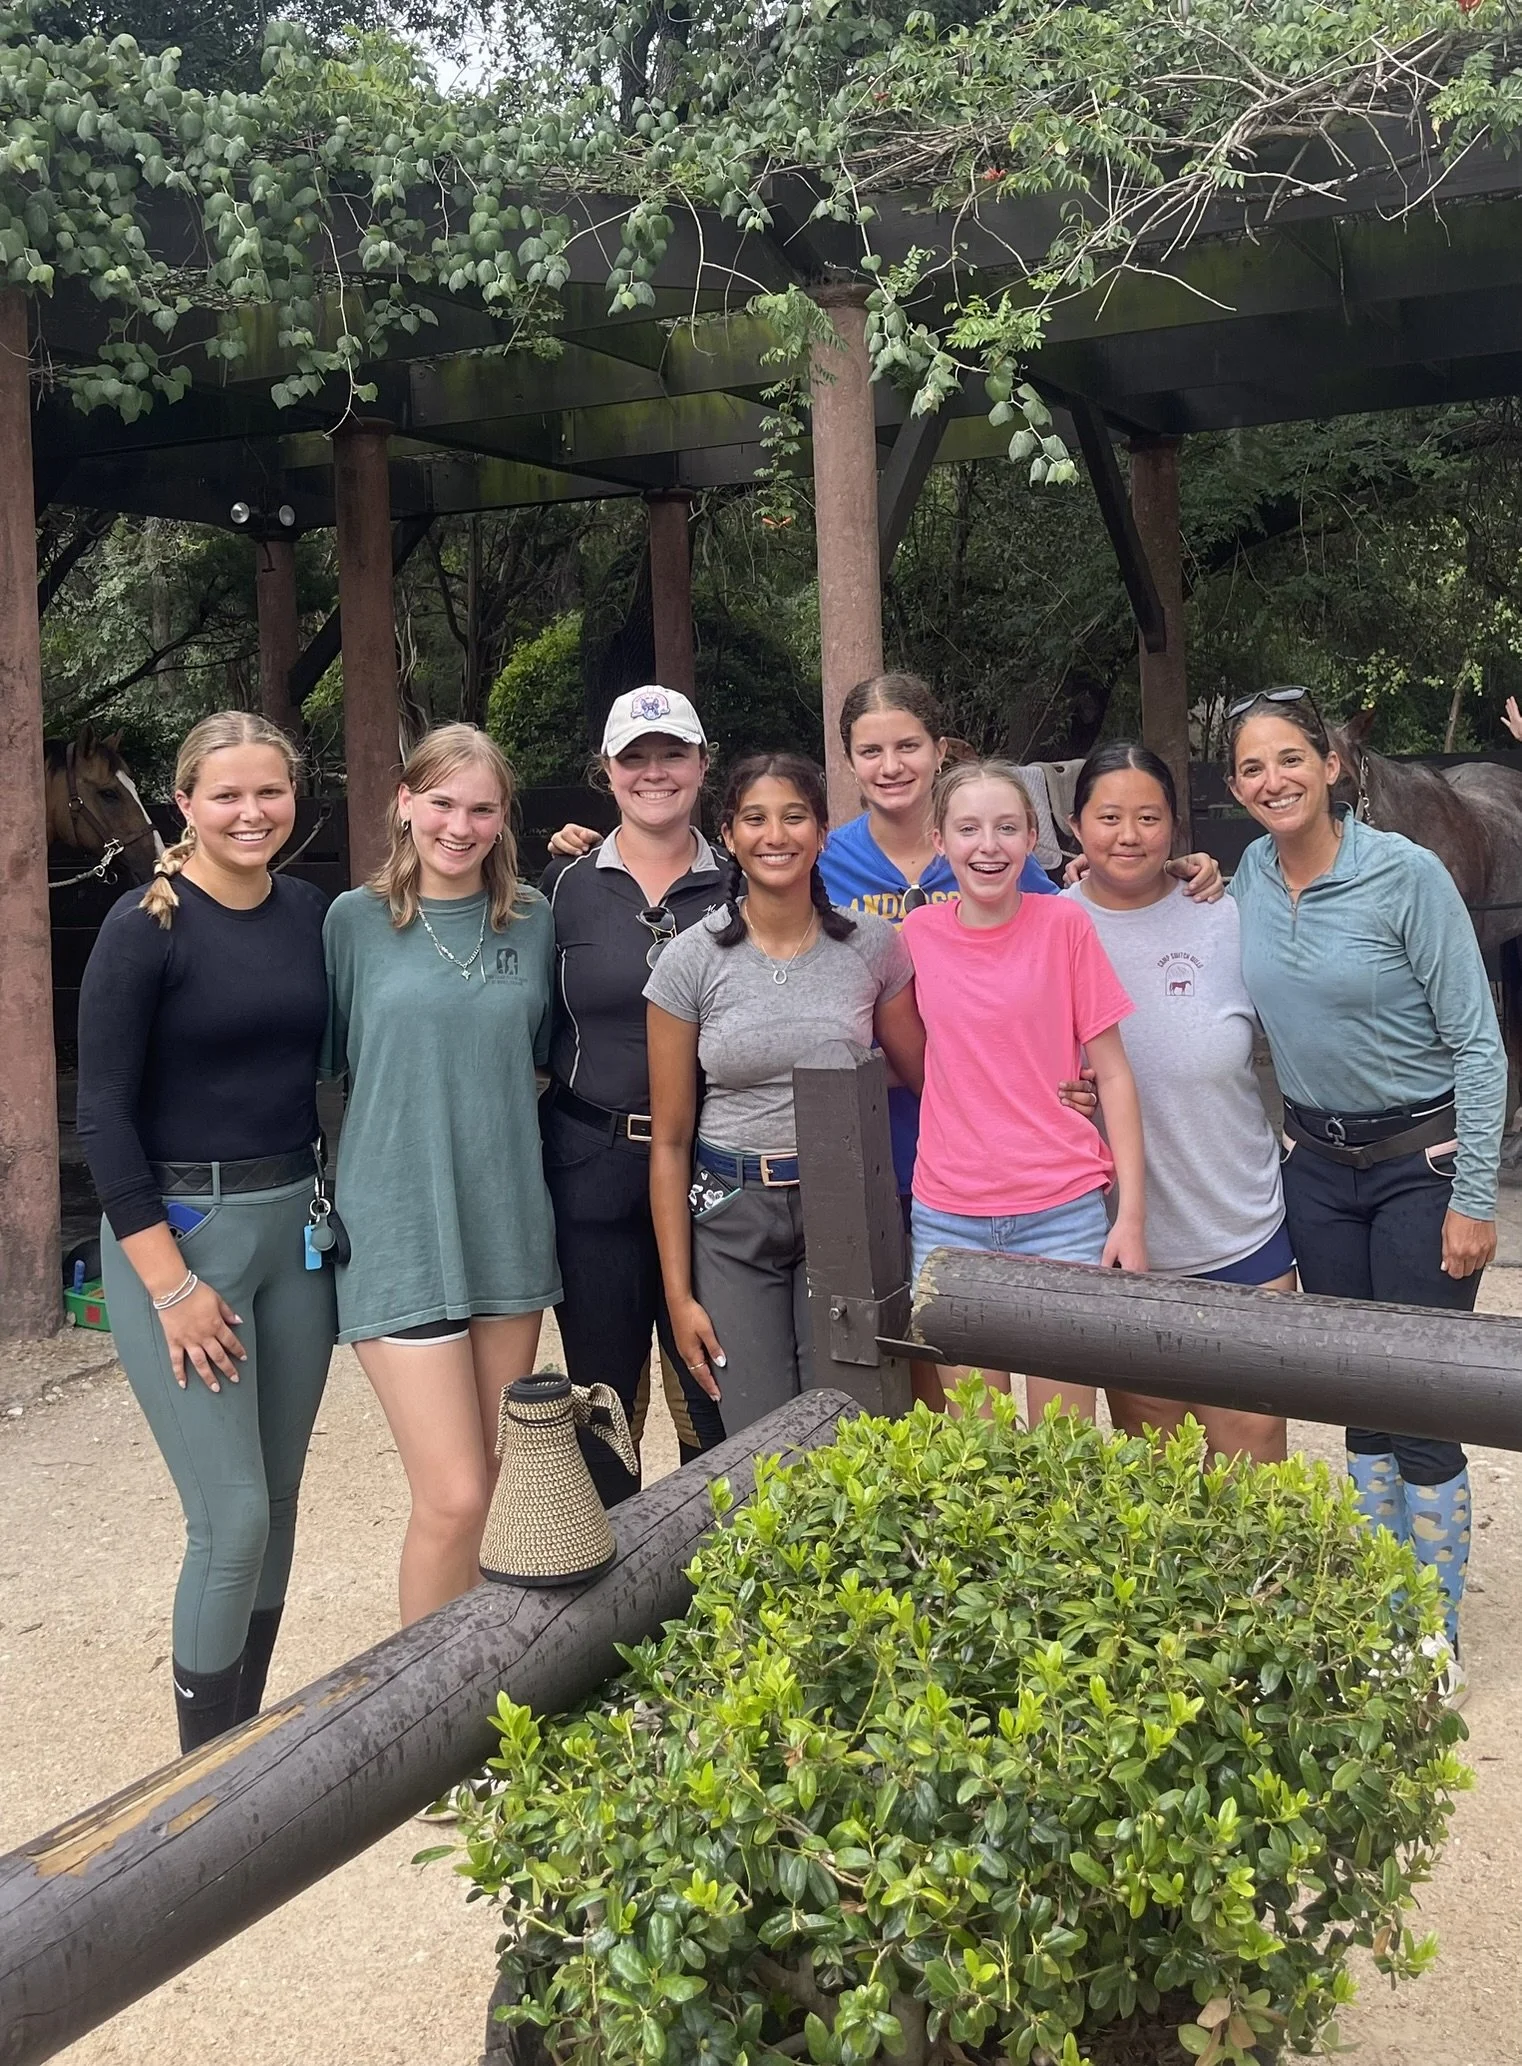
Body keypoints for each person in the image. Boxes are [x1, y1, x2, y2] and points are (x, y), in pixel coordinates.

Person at [1228, 686, 1507, 1693]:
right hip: (1316, 1167)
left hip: (1418, 1168)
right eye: (1252, 767)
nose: (1273, 779)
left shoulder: (1405, 876)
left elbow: (1478, 1043)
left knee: (1418, 1402)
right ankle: (1376, 1608)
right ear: (1235, 786)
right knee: (1354, 1404)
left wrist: (1475, 1194)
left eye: (1290, 758)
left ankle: (1429, 1634)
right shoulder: (1248, 875)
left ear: (1332, 764)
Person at [77, 712, 335, 1749]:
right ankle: (199, 1779)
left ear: (292, 798)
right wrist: (171, 1285)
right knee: (228, 1520)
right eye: (226, 793)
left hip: (296, 1231)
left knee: (276, 1501)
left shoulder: (312, 912)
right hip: (185, 1238)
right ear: (185, 800)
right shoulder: (143, 929)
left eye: (268, 791)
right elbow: (102, 1111)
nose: (250, 811)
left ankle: (245, 1743)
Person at [324, 725, 558, 1624]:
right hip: (397, 1229)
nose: (460, 825)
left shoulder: (533, 921)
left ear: (504, 820)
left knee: (500, 1483)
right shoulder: (351, 923)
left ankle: (490, 1712)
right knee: (454, 1493)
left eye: (482, 808)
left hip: (505, 1221)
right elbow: (324, 1067)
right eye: (443, 803)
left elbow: (536, 1059)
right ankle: (424, 1724)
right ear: (404, 803)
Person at [645, 753, 925, 1433]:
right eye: (756, 819)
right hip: (733, 1208)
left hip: (844, 1208)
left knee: (851, 1421)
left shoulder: (870, 946)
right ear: (730, 836)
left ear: (823, 833)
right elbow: (671, 1138)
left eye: (795, 816)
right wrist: (679, 1297)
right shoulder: (691, 958)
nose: (777, 835)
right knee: (759, 1436)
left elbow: (916, 1072)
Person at [1063, 742, 1291, 1462]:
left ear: (1175, 827)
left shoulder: (1227, 914)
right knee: (1152, 1469)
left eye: (1148, 817)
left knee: (1255, 1461)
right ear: (1075, 828)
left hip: (1239, 1227)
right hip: (1120, 1244)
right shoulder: (1047, 926)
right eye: (1108, 817)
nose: (1128, 835)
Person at [903, 759, 1148, 1414]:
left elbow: (1114, 1071)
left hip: (1061, 1210)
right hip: (950, 1215)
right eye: (969, 829)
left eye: (1007, 827)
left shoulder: (1064, 925)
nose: (989, 846)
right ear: (940, 840)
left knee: (1060, 1448)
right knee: (974, 1451)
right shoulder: (916, 936)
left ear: (1031, 835)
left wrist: (1129, 1215)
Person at [541, 686, 727, 1505]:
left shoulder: (750, 875)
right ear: (606, 771)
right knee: (603, 1399)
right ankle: (616, 1603)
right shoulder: (561, 885)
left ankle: (720, 1590)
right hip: (593, 1164)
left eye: (672, 754)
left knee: (718, 1388)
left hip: (714, 1168)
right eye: (634, 758)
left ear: (702, 764)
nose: (655, 773)